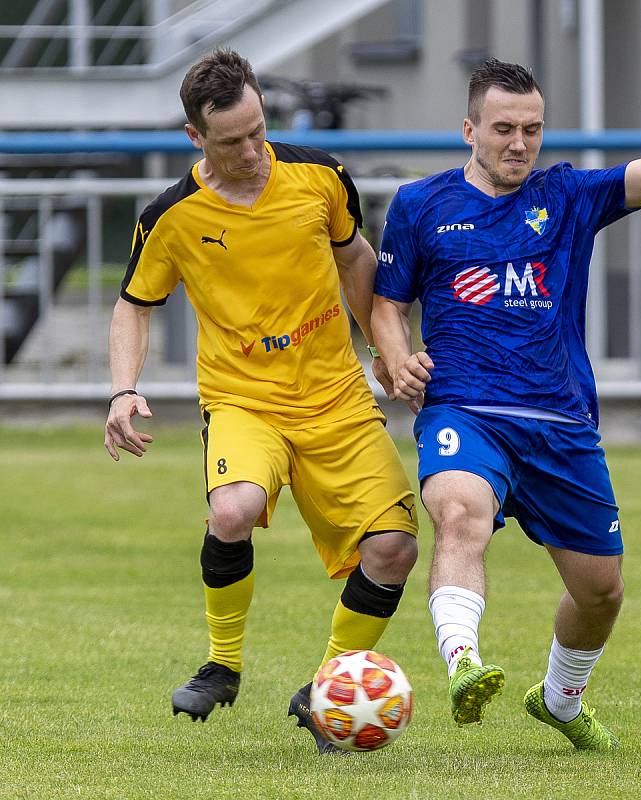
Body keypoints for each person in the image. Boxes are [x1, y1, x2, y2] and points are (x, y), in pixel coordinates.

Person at [371, 58, 641, 750]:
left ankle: (561, 702)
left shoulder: (566, 195)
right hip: (465, 410)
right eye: (503, 128)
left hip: (561, 423)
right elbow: (387, 304)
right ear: (469, 129)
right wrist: (393, 356)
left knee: (601, 592)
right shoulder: (421, 205)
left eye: (531, 129)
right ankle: (463, 664)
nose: (518, 143)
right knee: (457, 516)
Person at [103, 48, 418, 755]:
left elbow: (355, 257)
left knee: (394, 547)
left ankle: (324, 691)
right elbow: (133, 306)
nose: (252, 151)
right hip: (243, 401)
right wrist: (123, 390)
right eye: (231, 141)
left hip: (336, 395)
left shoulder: (320, 175)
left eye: (258, 131)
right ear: (196, 139)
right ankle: (223, 662)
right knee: (233, 509)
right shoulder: (173, 215)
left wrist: (386, 351)